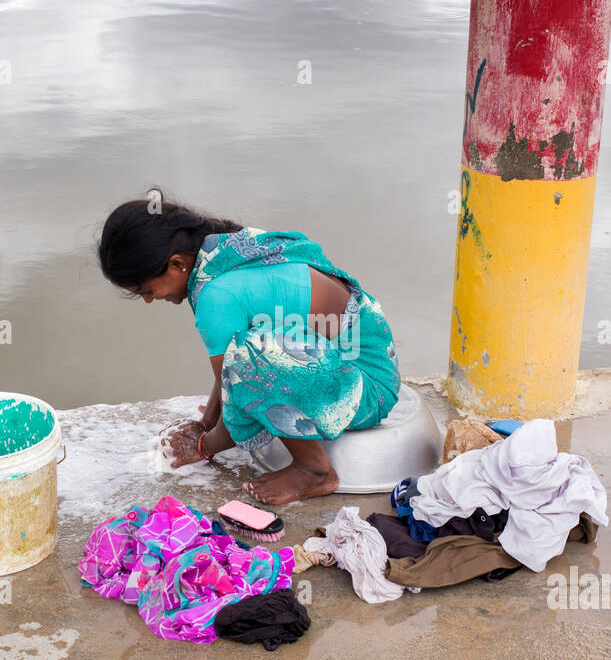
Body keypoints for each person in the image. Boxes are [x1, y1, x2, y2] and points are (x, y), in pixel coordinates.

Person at [97, 194, 402, 504]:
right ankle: (309, 462)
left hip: (365, 387)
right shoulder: (223, 250)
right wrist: (206, 423)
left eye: (147, 291)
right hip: (364, 357)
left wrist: (202, 447)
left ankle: (315, 471)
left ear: (176, 263)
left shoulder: (214, 299)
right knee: (249, 354)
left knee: (252, 357)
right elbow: (232, 365)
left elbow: (242, 390)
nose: (149, 300)